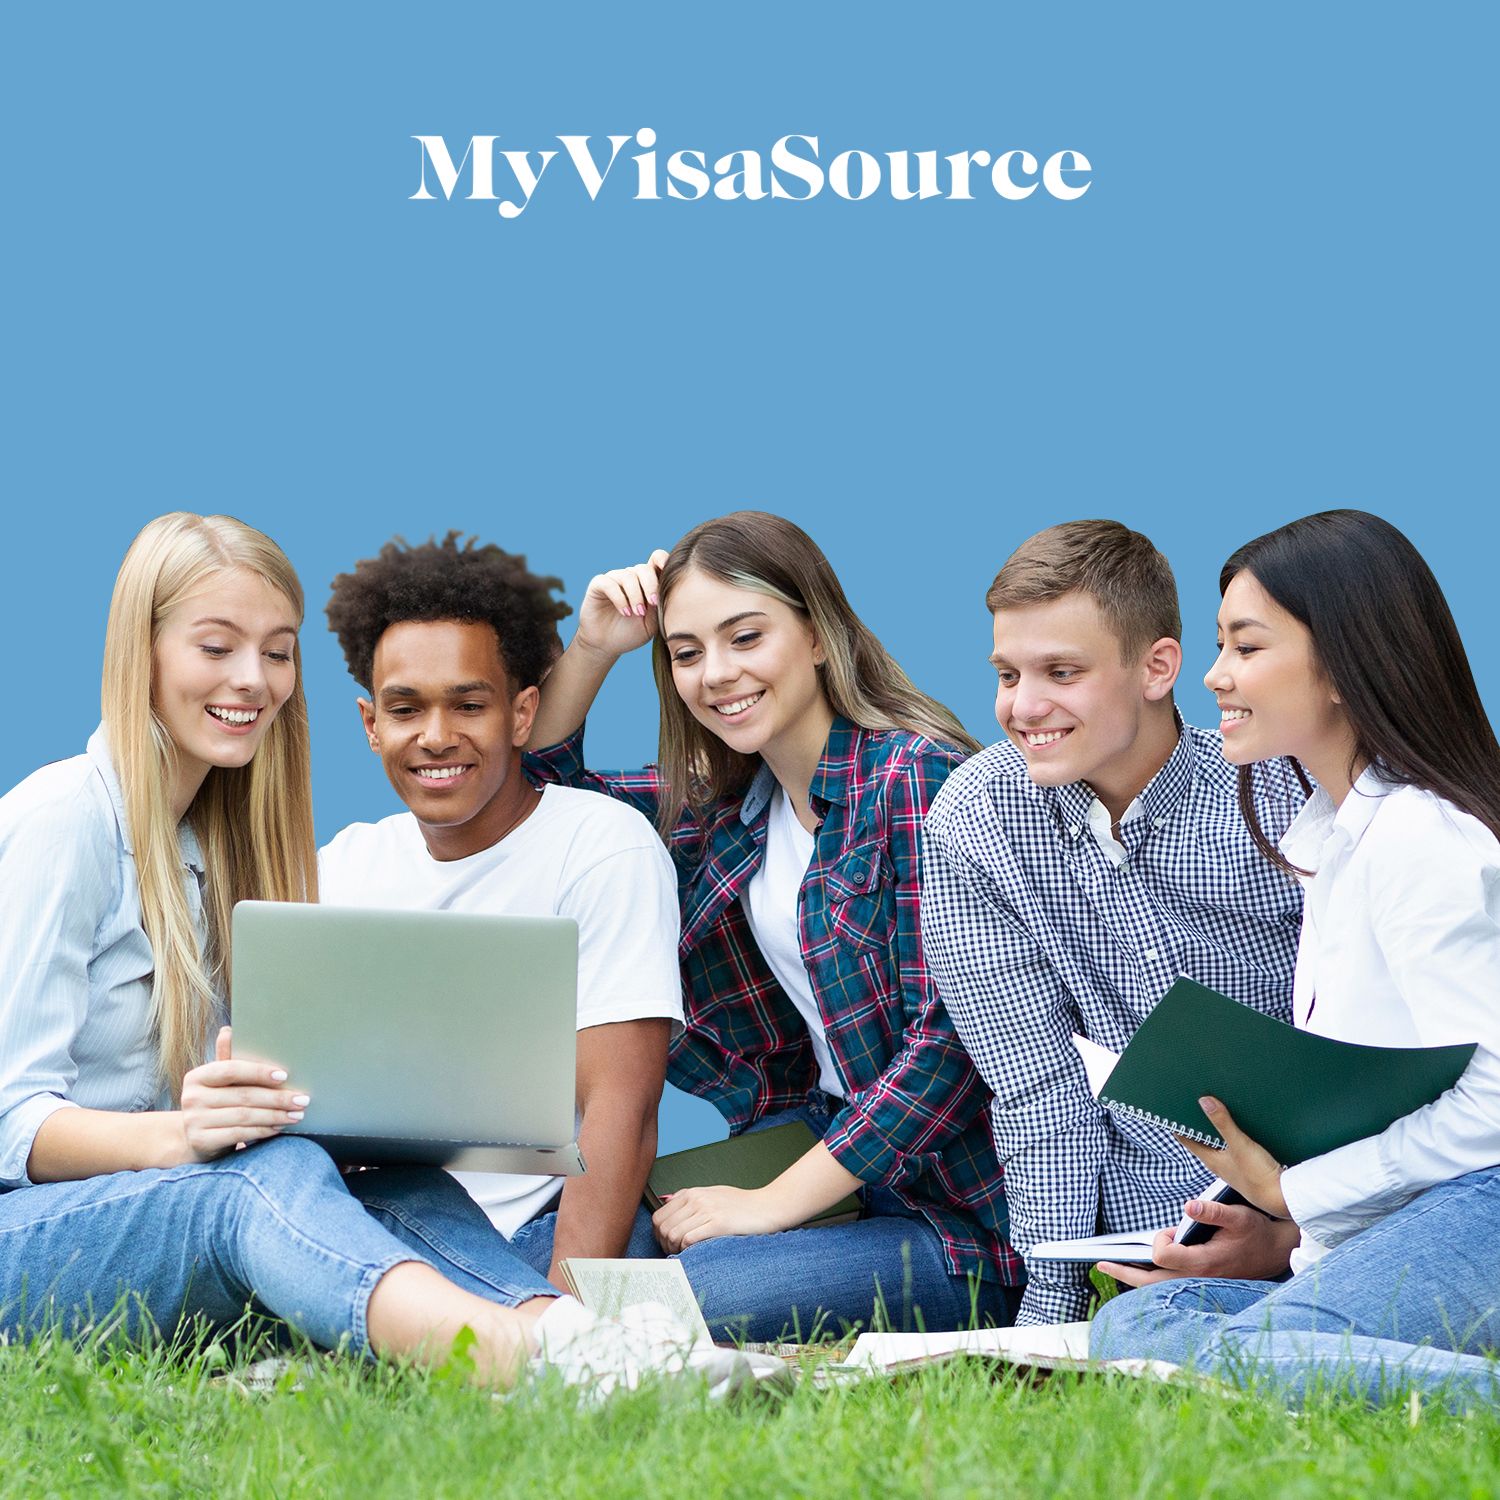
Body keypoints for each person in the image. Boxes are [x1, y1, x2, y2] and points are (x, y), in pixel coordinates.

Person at [0, 512, 740, 1394]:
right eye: (216, 647)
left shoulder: (222, 849)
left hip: (156, 1214)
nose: (253, 680)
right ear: (143, 654)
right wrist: (185, 1137)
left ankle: (579, 1341)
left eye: (277, 652)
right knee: (262, 1177)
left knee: (379, 1171)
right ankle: (524, 1363)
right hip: (34, 1234)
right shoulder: (66, 820)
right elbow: (11, 1125)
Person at [525, 511, 1019, 1339]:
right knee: (555, 1252)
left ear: (818, 635)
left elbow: (952, 1049)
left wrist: (767, 1208)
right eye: (687, 653)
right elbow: (547, 795)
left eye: (745, 637)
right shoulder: (730, 809)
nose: (717, 674)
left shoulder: (915, 779)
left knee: (659, 1306)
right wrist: (595, 646)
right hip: (811, 1147)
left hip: (956, 1216)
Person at [1090, 510, 1500, 1411]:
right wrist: (1276, 1226)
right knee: (1140, 1330)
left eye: (1247, 645)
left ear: (1346, 663)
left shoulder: (1418, 840)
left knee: (1212, 1358)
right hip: (1423, 1216)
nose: (1214, 676)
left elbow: (1495, 1106)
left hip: (1487, 1206)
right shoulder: (1334, 839)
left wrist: (1297, 1189)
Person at [920, 519, 1306, 1326]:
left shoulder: (1282, 792)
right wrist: (1051, 1314)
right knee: (1144, 1329)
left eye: (1062, 671)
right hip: (1145, 1237)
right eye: (1006, 673)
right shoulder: (978, 814)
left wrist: (1299, 1232)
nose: (1023, 707)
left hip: (1336, 1201)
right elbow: (1035, 1083)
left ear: (1157, 667)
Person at [319, 533, 683, 1282]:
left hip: (531, 1234)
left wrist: (561, 1312)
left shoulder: (600, 844)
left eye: (468, 704)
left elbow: (622, 1107)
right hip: (363, 1221)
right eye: (405, 709)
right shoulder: (342, 866)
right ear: (370, 725)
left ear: (521, 715)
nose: (436, 736)